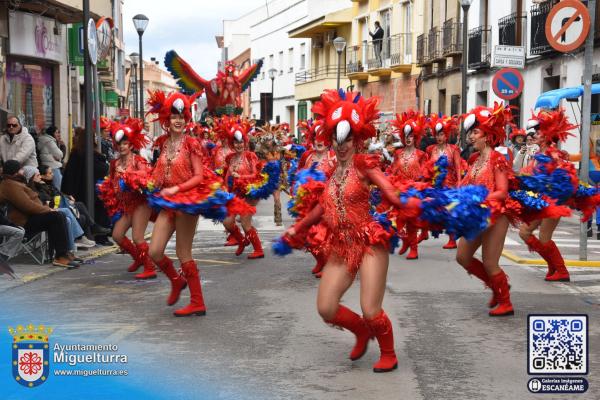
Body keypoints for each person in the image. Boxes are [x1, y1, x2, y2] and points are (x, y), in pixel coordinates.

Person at [284, 89, 418, 373]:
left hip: (369, 240)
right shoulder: (332, 171)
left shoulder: (364, 167)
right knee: (326, 308)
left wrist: (418, 204)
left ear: (357, 139)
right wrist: (299, 226)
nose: (341, 145)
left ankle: (389, 353)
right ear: (330, 140)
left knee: (371, 309)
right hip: (341, 245)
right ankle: (361, 331)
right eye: (336, 139)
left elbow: (391, 193)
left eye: (347, 139)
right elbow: (322, 206)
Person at [146, 90, 208, 317]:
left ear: (187, 118)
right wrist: (147, 180)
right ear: (167, 120)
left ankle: (197, 302)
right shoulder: (162, 143)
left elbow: (199, 176)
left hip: (187, 202)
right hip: (167, 203)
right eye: (174, 116)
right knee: (154, 252)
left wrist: (177, 188)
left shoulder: (192, 143)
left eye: (182, 116)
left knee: (184, 253)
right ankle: (175, 280)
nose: (178, 120)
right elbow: (159, 174)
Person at [455, 103, 515, 317]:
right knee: (462, 257)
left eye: (476, 132)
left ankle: (505, 302)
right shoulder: (474, 160)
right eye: (470, 132)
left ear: (488, 135)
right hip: (476, 217)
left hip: (496, 216)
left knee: (490, 262)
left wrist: (478, 199)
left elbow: (502, 191)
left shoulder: (497, 159)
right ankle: (497, 287)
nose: (471, 136)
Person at [518, 109, 576, 282]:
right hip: (540, 201)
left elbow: (563, 180)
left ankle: (561, 270)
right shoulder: (539, 153)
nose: (534, 134)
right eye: (534, 131)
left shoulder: (553, 154)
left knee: (543, 238)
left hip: (553, 202)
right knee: (524, 232)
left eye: (538, 130)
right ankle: (552, 265)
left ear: (548, 133)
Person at [98, 119, 156, 280]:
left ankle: (150, 266)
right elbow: (111, 181)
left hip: (140, 204)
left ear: (131, 145)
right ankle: (138, 258)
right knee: (117, 235)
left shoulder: (138, 161)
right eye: (120, 144)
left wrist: (132, 179)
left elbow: (147, 178)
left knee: (138, 237)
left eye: (125, 143)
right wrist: (107, 190)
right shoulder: (114, 163)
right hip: (125, 205)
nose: (122, 146)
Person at [0, 160, 79, 268]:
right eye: (21, 169)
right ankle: (60, 256)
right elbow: (26, 205)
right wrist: (47, 210)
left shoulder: (15, 182)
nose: (23, 171)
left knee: (59, 215)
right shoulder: (10, 185)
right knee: (56, 217)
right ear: (15, 172)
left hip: (30, 217)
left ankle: (63, 253)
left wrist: (46, 209)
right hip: (24, 222)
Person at [296, 119, 337, 278]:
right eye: (316, 137)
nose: (319, 141)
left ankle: (327, 265)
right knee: (307, 235)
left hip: (327, 201)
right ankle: (320, 260)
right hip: (308, 202)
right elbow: (299, 173)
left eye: (323, 137)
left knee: (322, 235)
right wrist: (298, 190)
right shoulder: (307, 156)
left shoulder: (333, 157)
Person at [222, 120, 266, 259]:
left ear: (245, 142)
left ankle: (258, 249)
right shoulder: (230, 158)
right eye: (236, 142)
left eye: (241, 142)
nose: (239, 145)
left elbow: (256, 174)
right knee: (227, 222)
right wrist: (224, 188)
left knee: (246, 224)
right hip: (234, 194)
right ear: (232, 144)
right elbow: (227, 176)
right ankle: (241, 241)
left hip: (248, 193)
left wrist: (241, 177)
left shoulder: (250, 156)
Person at [61, 127, 112, 245]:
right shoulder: (85, 153)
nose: (95, 138)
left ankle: (95, 234)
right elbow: (100, 168)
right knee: (98, 209)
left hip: (79, 189)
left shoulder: (78, 151)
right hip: (85, 189)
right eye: (94, 136)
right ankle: (98, 236)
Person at [389, 111, 428, 260]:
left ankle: (414, 249)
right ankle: (405, 239)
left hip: (413, 191)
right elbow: (392, 170)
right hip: (399, 190)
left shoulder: (421, 154)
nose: (408, 138)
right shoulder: (398, 153)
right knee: (394, 220)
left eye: (411, 136)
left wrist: (419, 187)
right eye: (406, 136)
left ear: (415, 137)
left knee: (411, 222)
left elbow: (426, 173)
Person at [37, 165, 110, 241]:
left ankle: (84, 234)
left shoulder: (49, 184)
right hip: (56, 207)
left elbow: (59, 193)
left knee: (82, 215)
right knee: (79, 207)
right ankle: (90, 229)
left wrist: (68, 197)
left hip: (61, 204)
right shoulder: (42, 187)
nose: (53, 174)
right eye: (50, 173)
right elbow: (51, 199)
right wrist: (65, 199)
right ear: (43, 176)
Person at [426, 114, 463, 249]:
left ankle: (452, 239)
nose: (439, 137)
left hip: (450, 184)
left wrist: (459, 182)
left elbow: (458, 167)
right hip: (435, 185)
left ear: (446, 135)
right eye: (437, 135)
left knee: (450, 212)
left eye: (441, 134)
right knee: (433, 210)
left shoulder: (453, 150)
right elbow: (428, 168)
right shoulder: (431, 150)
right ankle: (425, 231)